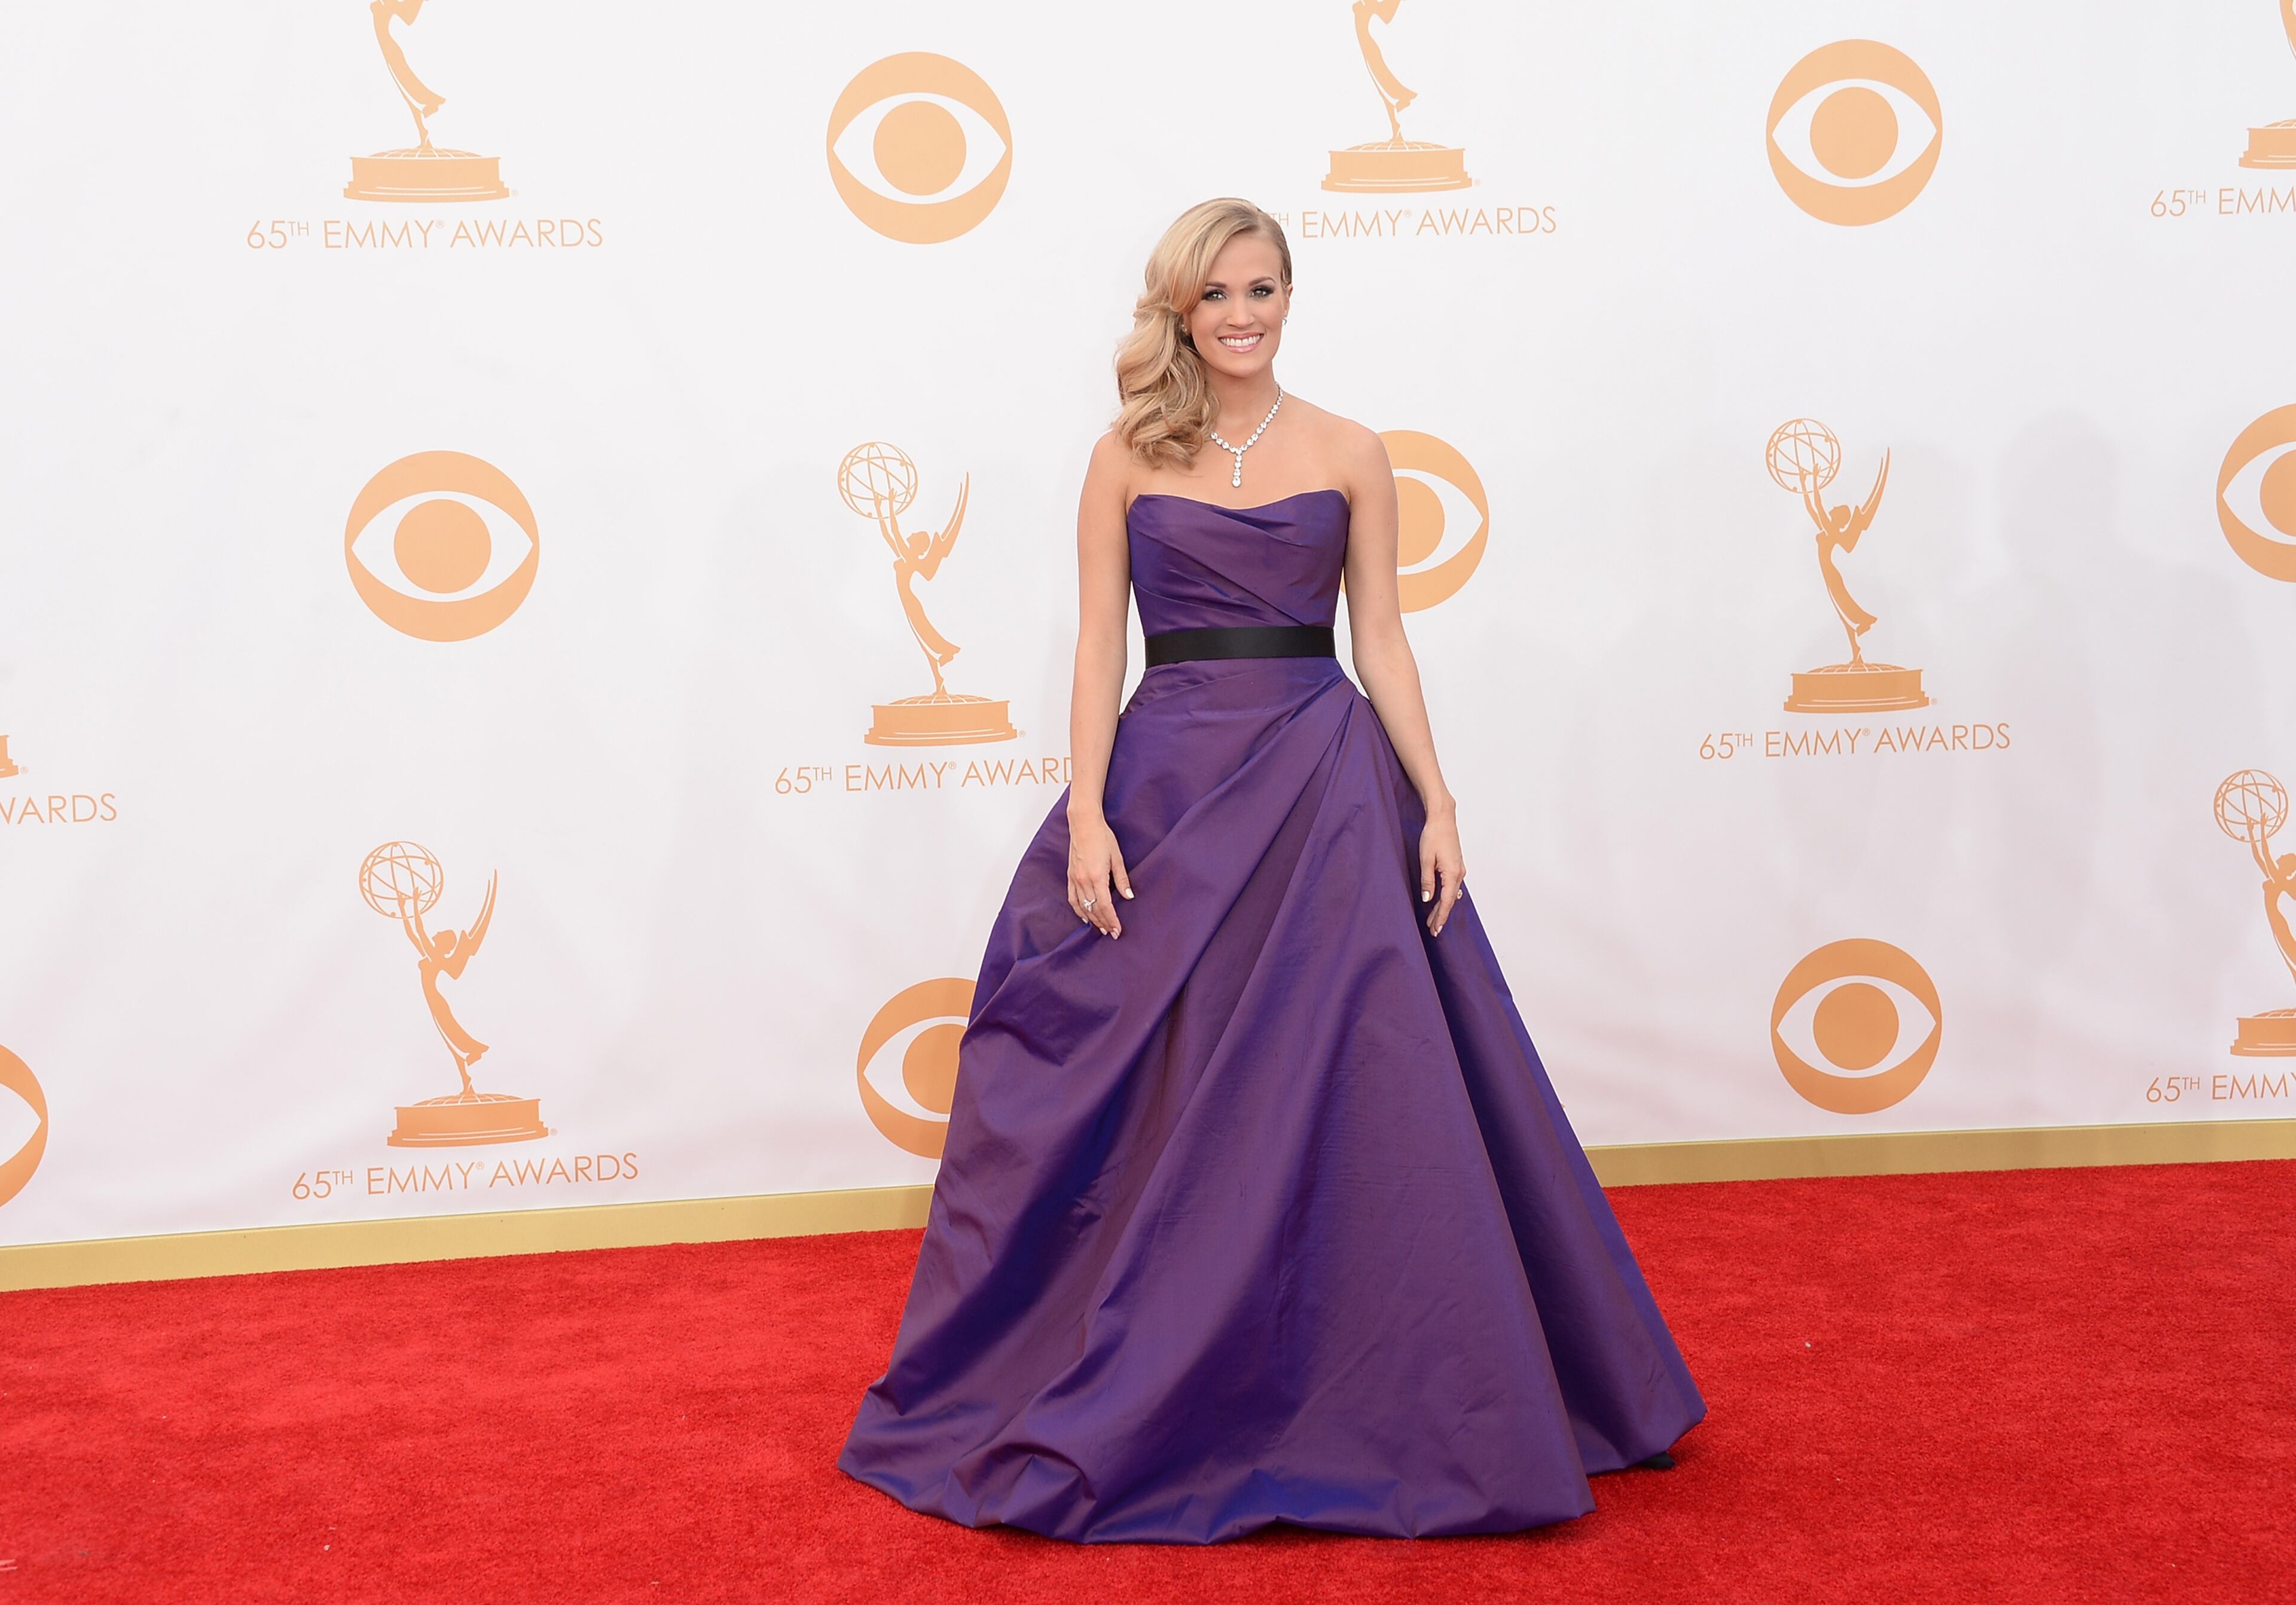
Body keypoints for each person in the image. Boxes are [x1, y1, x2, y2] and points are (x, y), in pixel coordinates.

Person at [837, 197, 1705, 1544]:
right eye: (1216, 295)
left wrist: (1438, 799)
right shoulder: (1124, 455)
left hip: (1323, 788)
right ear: (1179, 311)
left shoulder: (1352, 451)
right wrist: (1088, 813)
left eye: (1262, 289)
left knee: (1364, 1092)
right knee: (1151, 1090)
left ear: (1291, 297)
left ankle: (1382, 1384)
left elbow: (1387, 642)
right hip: (1170, 786)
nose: (1241, 315)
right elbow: (1092, 653)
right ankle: (1147, 1359)